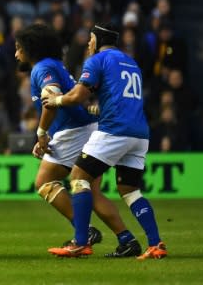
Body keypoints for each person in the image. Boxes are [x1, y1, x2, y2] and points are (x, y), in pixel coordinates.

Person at [14, 23, 142, 257]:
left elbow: (50, 100)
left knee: (44, 182)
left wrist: (41, 134)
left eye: (18, 48)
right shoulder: (53, 64)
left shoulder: (42, 68)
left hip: (74, 132)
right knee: (91, 192)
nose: (16, 54)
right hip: (87, 128)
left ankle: (84, 232)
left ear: (30, 49)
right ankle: (127, 240)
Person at [44, 24, 167, 259]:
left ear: (98, 40)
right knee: (129, 190)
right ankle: (155, 244)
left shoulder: (98, 59)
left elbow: (79, 94)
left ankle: (80, 242)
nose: (89, 44)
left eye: (90, 39)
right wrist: (100, 108)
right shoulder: (131, 62)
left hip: (115, 131)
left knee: (79, 178)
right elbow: (123, 97)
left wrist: (57, 100)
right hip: (139, 134)